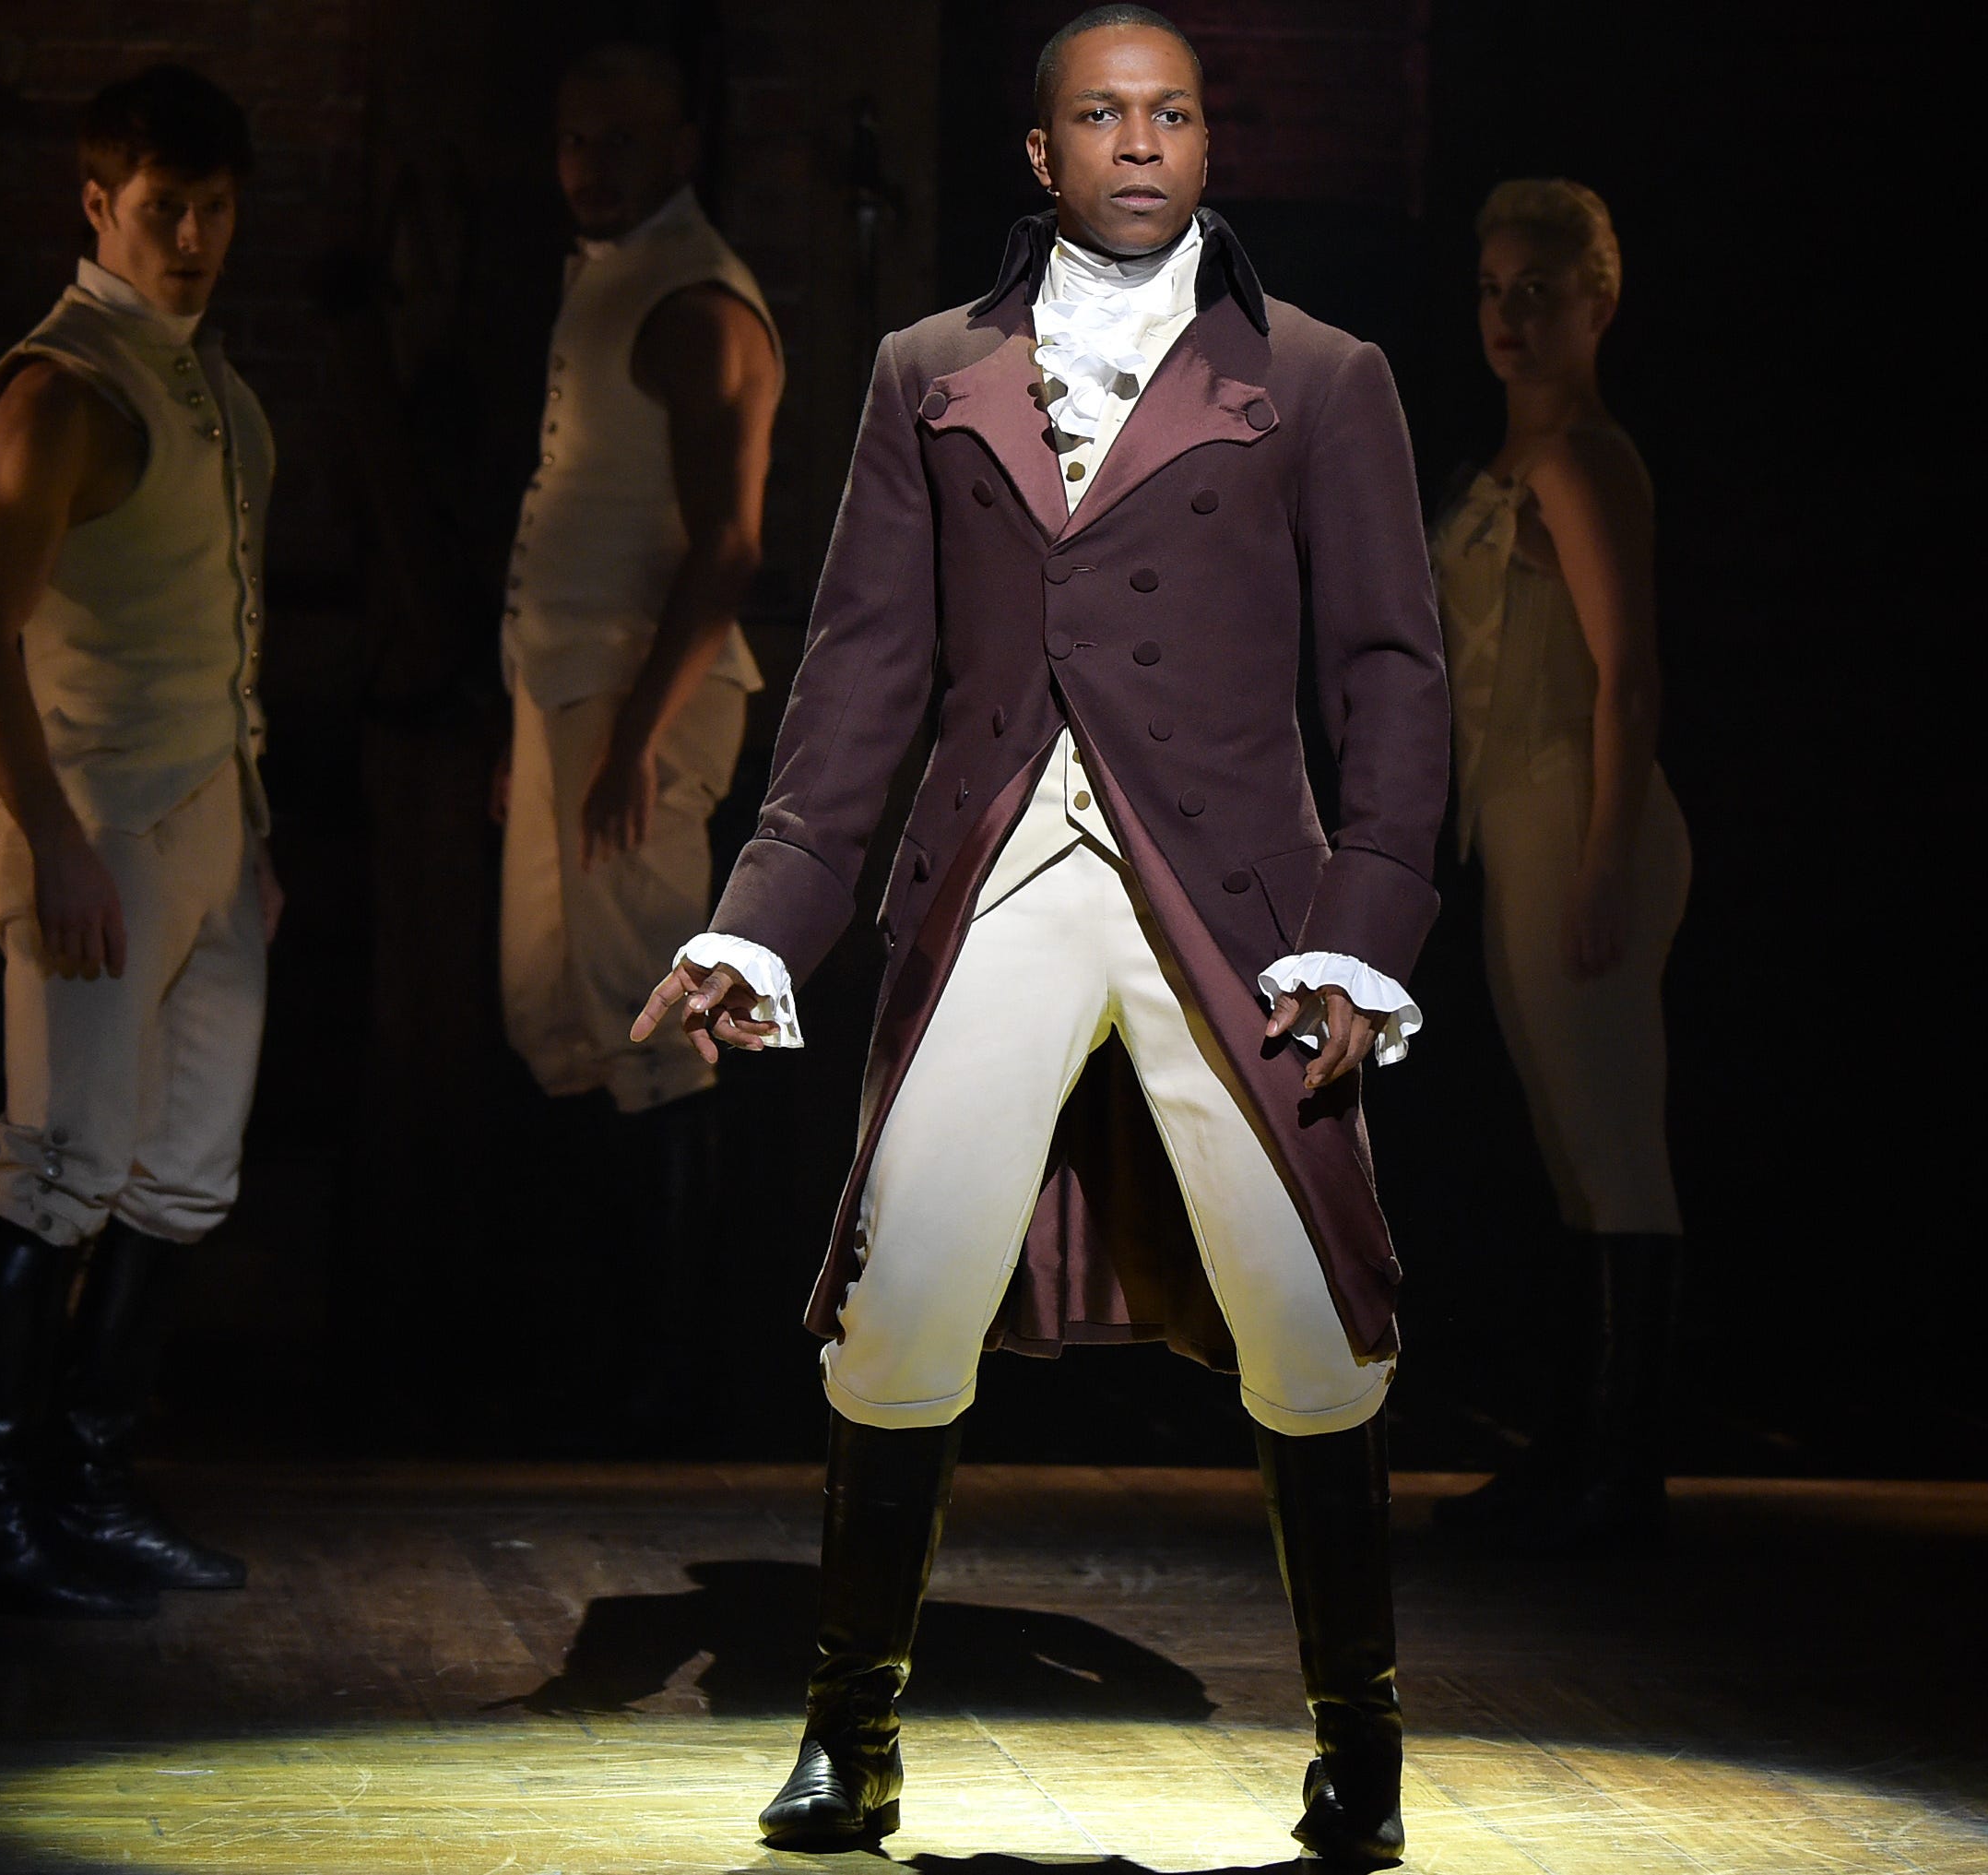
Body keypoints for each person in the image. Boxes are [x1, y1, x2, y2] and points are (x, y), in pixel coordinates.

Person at [631, 7, 1446, 1862]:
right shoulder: (930, 371)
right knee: (904, 1285)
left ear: (1209, 142)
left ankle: (1363, 1747)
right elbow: (860, 670)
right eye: (1102, 114)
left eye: (1173, 114)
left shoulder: (1321, 377)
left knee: (1306, 1311)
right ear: (1042, 152)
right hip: (1001, 869)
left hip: (1231, 903)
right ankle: (851, 1734)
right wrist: (764, 924)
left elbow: (1392, 674)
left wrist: (1365, 929)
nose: (1141, 143)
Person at [0, 65, 277, 1619]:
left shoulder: (204, 380)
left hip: (211, 827)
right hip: (101, 830)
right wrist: (51, 838)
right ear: (97, 206)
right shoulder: (60, 390)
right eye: (162, 209)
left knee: (180, 1172)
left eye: (213, 209)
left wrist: (253, 830)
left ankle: (90, 1489)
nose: (190, 237)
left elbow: (223, 625)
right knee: (58, 1164)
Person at [493, 37, 781, 1433]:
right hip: (569, 695)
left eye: (620, 139)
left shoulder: (696, 303)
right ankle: (591, 1359)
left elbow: (727, 547)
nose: (590, 165)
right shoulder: (608, 278)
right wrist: (534, 723)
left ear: (681, 147)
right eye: (574, 138)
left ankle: (671, 1382)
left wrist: (630, 743)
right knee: (557, 1014)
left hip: (636, 702)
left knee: (657, 1026)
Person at [1425, 179, 1692, 1551]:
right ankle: (1575, 1449)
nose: (1510, 316)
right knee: (1569, 1148)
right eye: (1494, 290)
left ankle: (1618, 1471)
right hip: (1519, 819)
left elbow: (1629, 676)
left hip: (1578, 816)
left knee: (1612, 1144)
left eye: (1539, 291)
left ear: (1600, 302)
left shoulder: (1585, 462)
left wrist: (1602, 861)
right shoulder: (1513, 462)